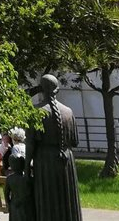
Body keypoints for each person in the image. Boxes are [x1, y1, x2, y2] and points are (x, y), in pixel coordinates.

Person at [26, 74, 83, 221]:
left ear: (41, 89)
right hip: (66, 161)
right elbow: (75, 141)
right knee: (67, 199)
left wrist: (26, 169)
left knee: (48, 200)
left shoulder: (36, 112)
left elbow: (30, 144)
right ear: (57, 89)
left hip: (45, 162)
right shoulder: (68, 112)